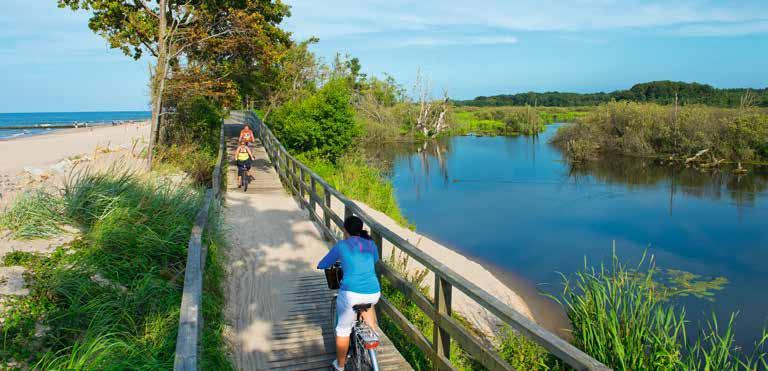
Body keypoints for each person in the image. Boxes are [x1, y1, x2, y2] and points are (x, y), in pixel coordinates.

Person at [317, 216, 381, 371]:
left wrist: (324, 265)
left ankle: (339, 365)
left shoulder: (342, 246)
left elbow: (323, 263)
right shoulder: (371, 244)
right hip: (374, 292)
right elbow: (374, 260)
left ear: (345, 230)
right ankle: (373, 341)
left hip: (351, 294)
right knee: (368, 307)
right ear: (360, 229)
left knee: (343, 330)